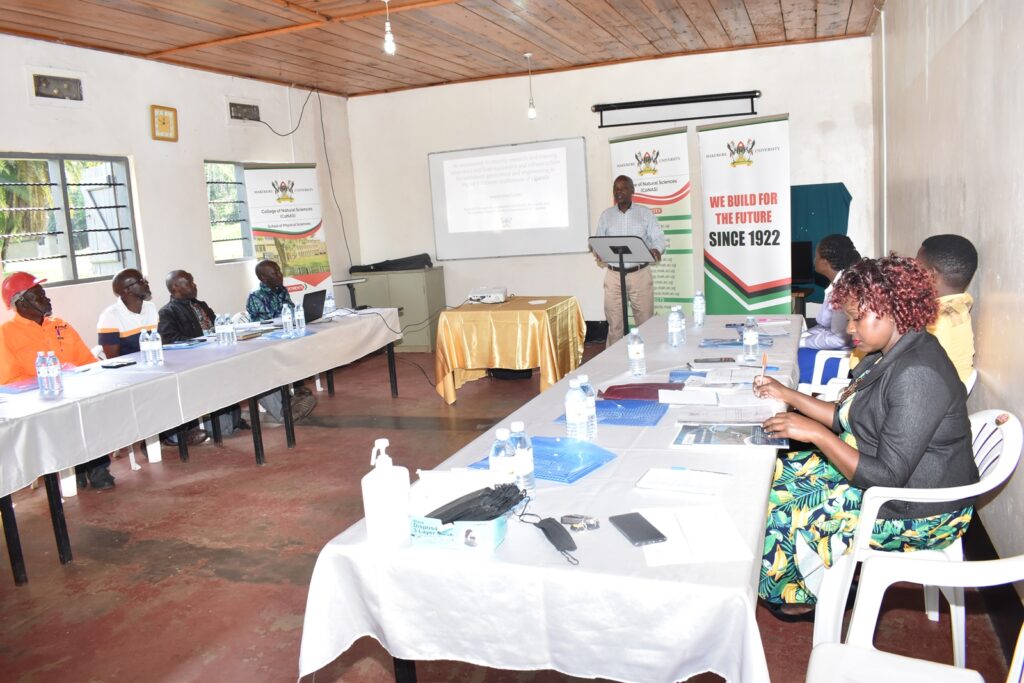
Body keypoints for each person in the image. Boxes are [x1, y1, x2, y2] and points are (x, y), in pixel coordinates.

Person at [753, 255, 979, 619]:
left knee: (787, 507)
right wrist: (789, 396)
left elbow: (886, 477)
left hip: (920, 509)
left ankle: (800, 598)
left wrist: (815, 435)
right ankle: (810, 576)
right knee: (771, 477)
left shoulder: (917, 373)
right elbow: (848, 417)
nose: (851, 328)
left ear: (893, 310)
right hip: (892, 479)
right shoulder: (893, 352)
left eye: (859, 317)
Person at [0, 272, 113, 489]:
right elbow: (10, 380)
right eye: (39, 295)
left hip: (75, 391)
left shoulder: (60, 325)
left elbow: (86, 361)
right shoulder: (6, 334)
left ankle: (98, 467)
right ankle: (73, 468)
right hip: (36, 399)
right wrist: (48, 384)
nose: (47, 299)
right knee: (62, 416)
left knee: (94, 407)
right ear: (22, 303)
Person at [160, 269, 315, 424]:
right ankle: (284, 412)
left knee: (257, 362)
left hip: (221, 352)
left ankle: (286, 405)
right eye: (189, 283)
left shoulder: (200, 305)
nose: (195, 286)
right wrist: (205, 339)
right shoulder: (168, 312)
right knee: (248, 370)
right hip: (200, 361)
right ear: (175, 288)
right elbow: (171, 341)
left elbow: (220, 325)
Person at [594, 175, 666, 345]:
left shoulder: (644, 213)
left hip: (639, 273)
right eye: (616, 189)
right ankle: (614, 363)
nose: (619, 192)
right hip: (613, 275)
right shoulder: (606, 215)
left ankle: (647, 358)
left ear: (632, 190)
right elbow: (599, 240)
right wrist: (598, 251)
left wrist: (656, 249)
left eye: (623, 188)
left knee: (645, 322)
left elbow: (658, 237)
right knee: (615, 323)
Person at [917, 234, 978, 384]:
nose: (912, 275)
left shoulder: (938, 322)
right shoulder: (958, 305)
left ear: (931, 276)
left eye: (916, 269)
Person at [801, 234, 861, 350]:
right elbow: (825, 327)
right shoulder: (838, 283)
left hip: (840, 352)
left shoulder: (845, 290)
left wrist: (801, 343)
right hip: (830, 341)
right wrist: (801, 337)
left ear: (825, 262)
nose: (814, 261)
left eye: (816, 256)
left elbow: (838, 339)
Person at [97, 268, 159, 359]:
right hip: (129, 370)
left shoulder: (151, 307)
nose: (147, 283)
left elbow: (159, 344)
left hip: (154, 363)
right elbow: (114, 359)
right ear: (127, 290)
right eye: (142, 281)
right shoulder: (110, 316)